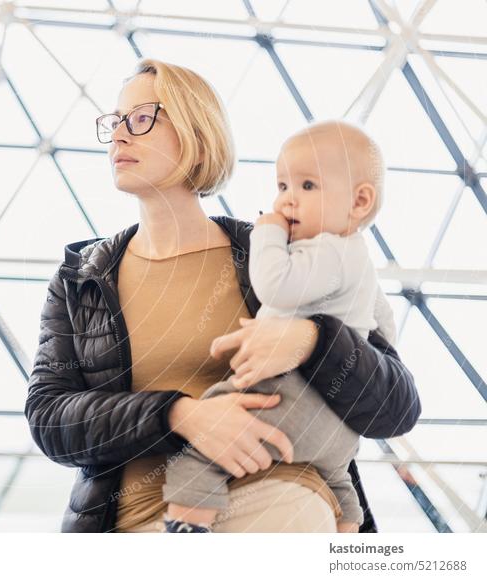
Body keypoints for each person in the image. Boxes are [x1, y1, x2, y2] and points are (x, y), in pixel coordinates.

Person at [23, 58, 421, 533]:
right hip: (125, 525)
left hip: (274, 499)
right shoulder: (81, 278)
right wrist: (180, 415)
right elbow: (50, 418)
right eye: (114, 122)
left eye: (141, 118)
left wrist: (313, 341)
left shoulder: (289, 251)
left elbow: (395, 405)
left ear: (196, 132)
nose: (120, 136)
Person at [162, 121, 400, 534]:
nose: (287, 200)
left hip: (291, 396)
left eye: (307, 186)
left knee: (204, 444)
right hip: (335, 428)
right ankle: (349, 533)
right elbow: (386, 330)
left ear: (360, 202)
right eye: (283, 185)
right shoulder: (355, 260)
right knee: (338, 480)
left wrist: (267, 233)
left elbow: (274, 283)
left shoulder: (328, 250)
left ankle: (186, 529)